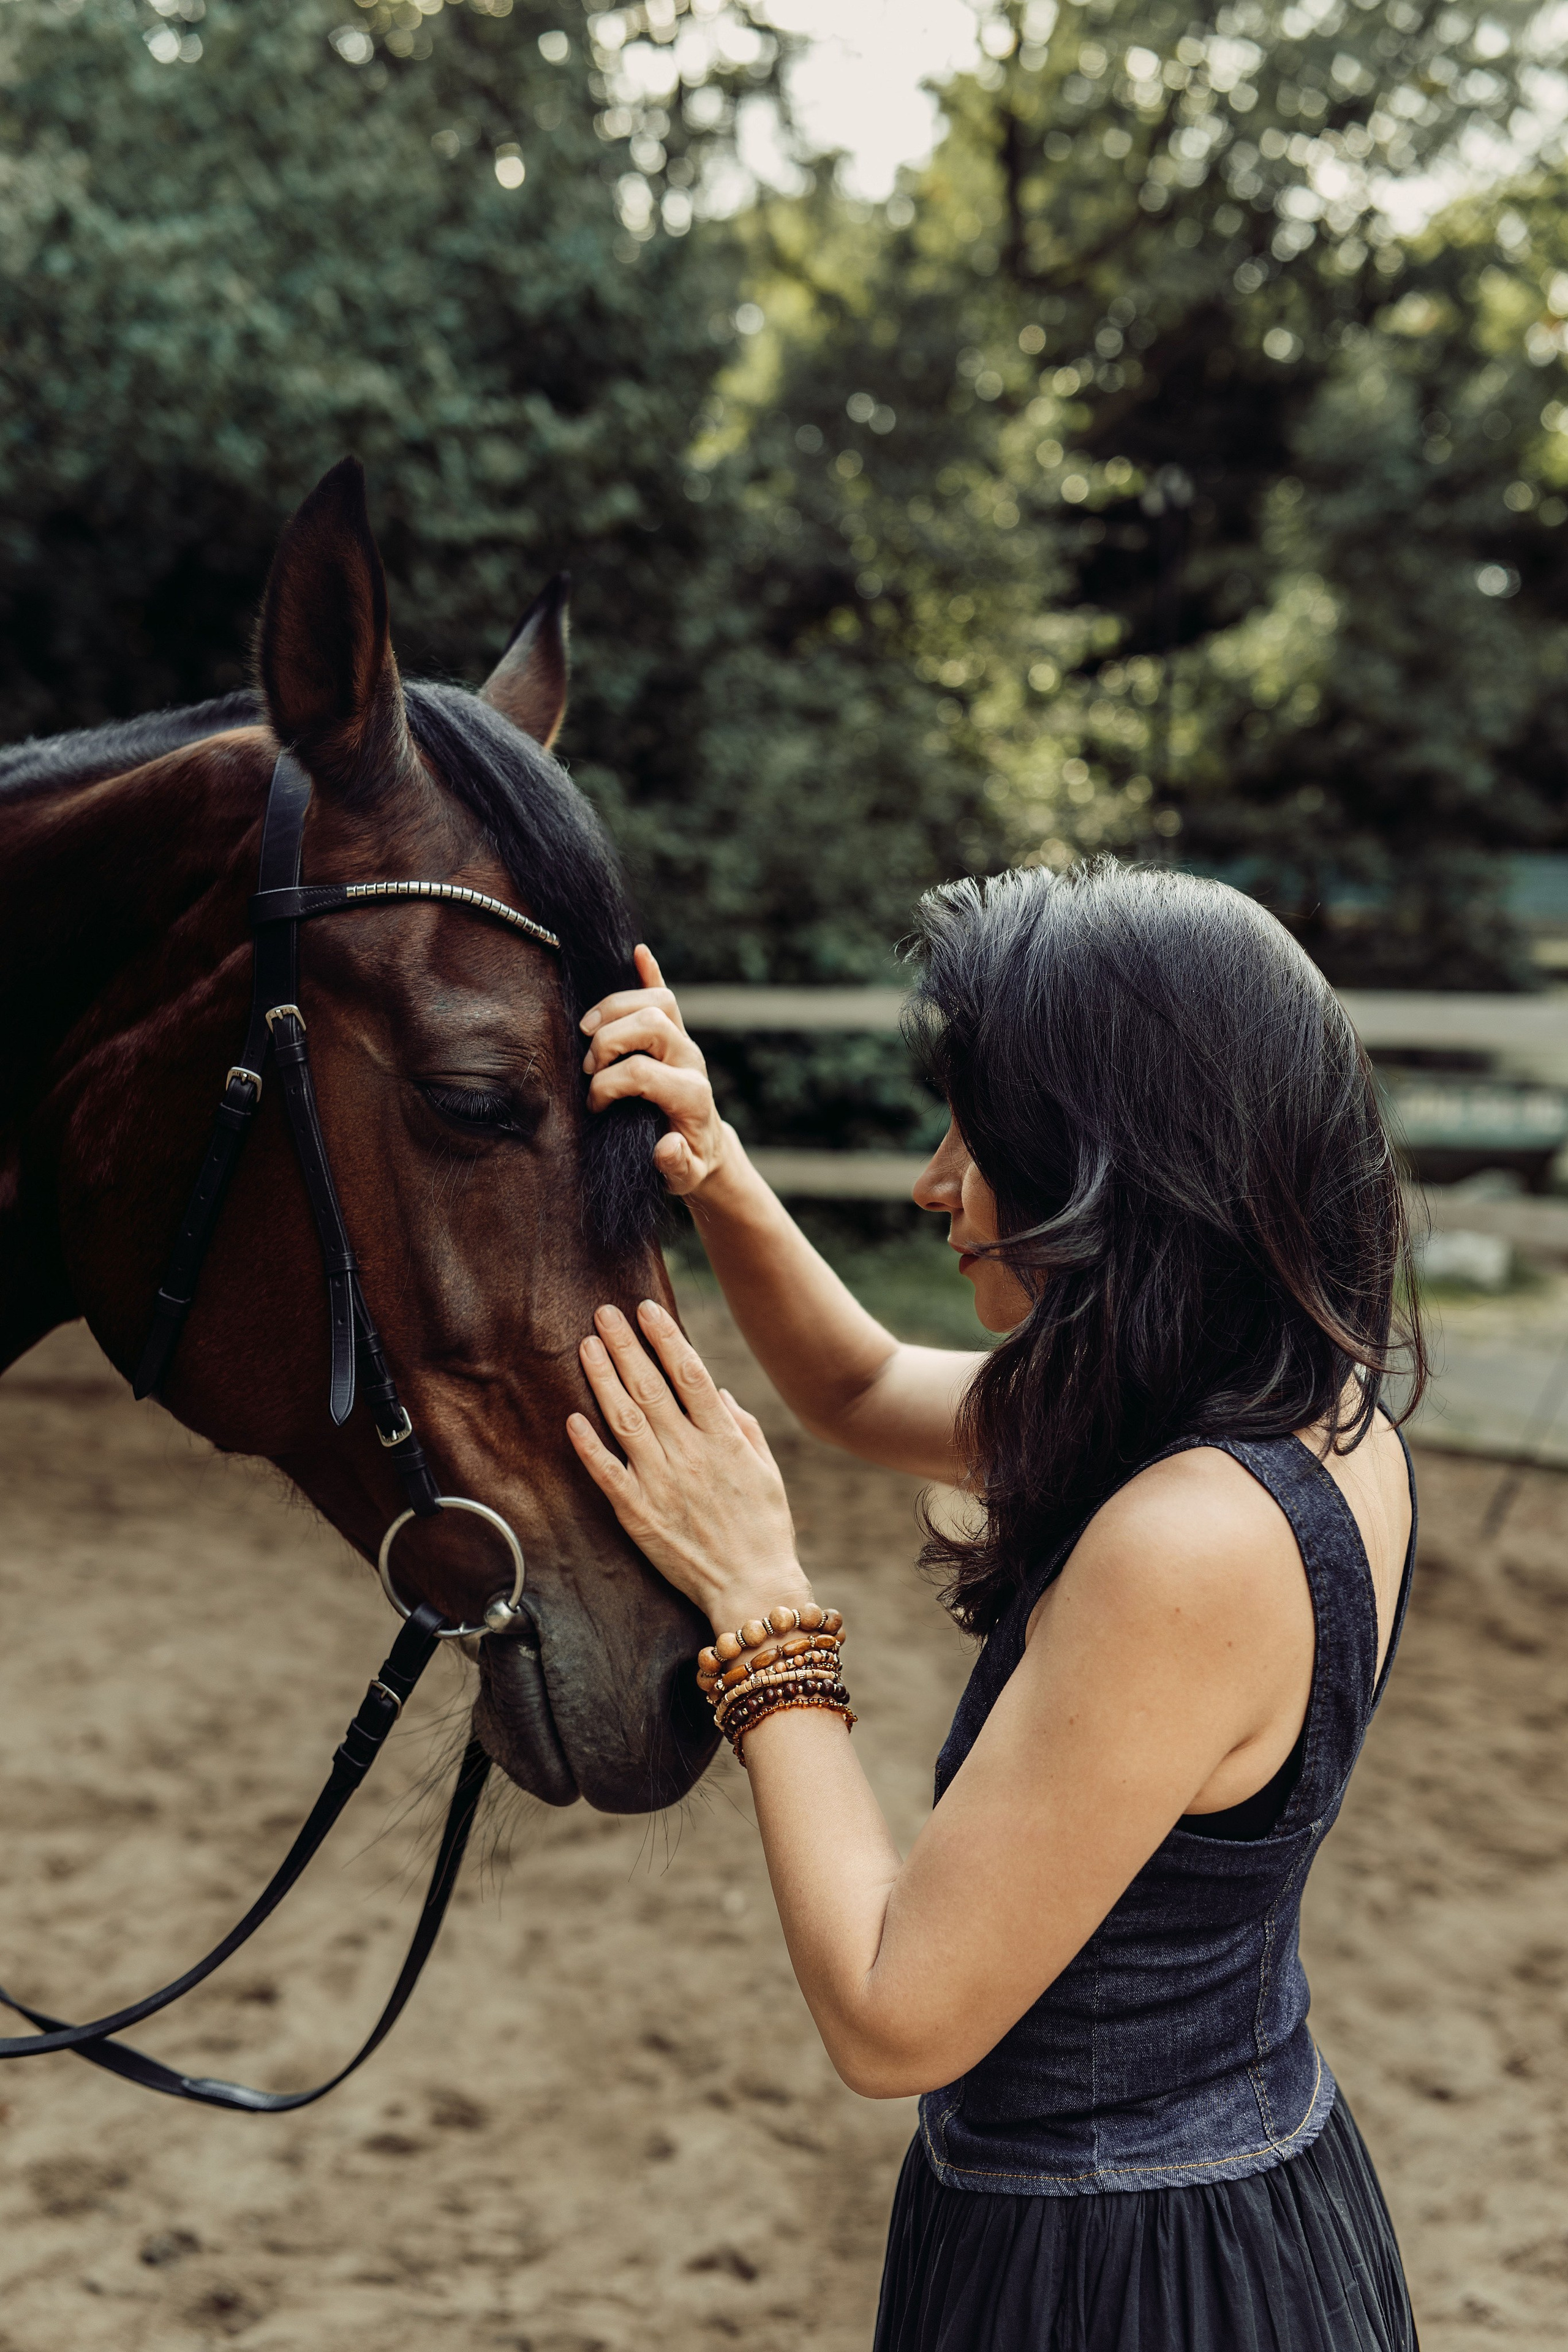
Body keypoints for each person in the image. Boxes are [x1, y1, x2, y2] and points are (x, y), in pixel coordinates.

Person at [565, 860, 1423, 2352]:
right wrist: (714, 1166)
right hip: (1230, 2194)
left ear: (1112, 1163)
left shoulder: (1189, 1540)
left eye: (980, 1136)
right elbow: (855, 1386)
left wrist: (757, 1593)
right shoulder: (1297, 1417)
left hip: (1116, 2269)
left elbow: (895, 2014)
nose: (933, 1181)